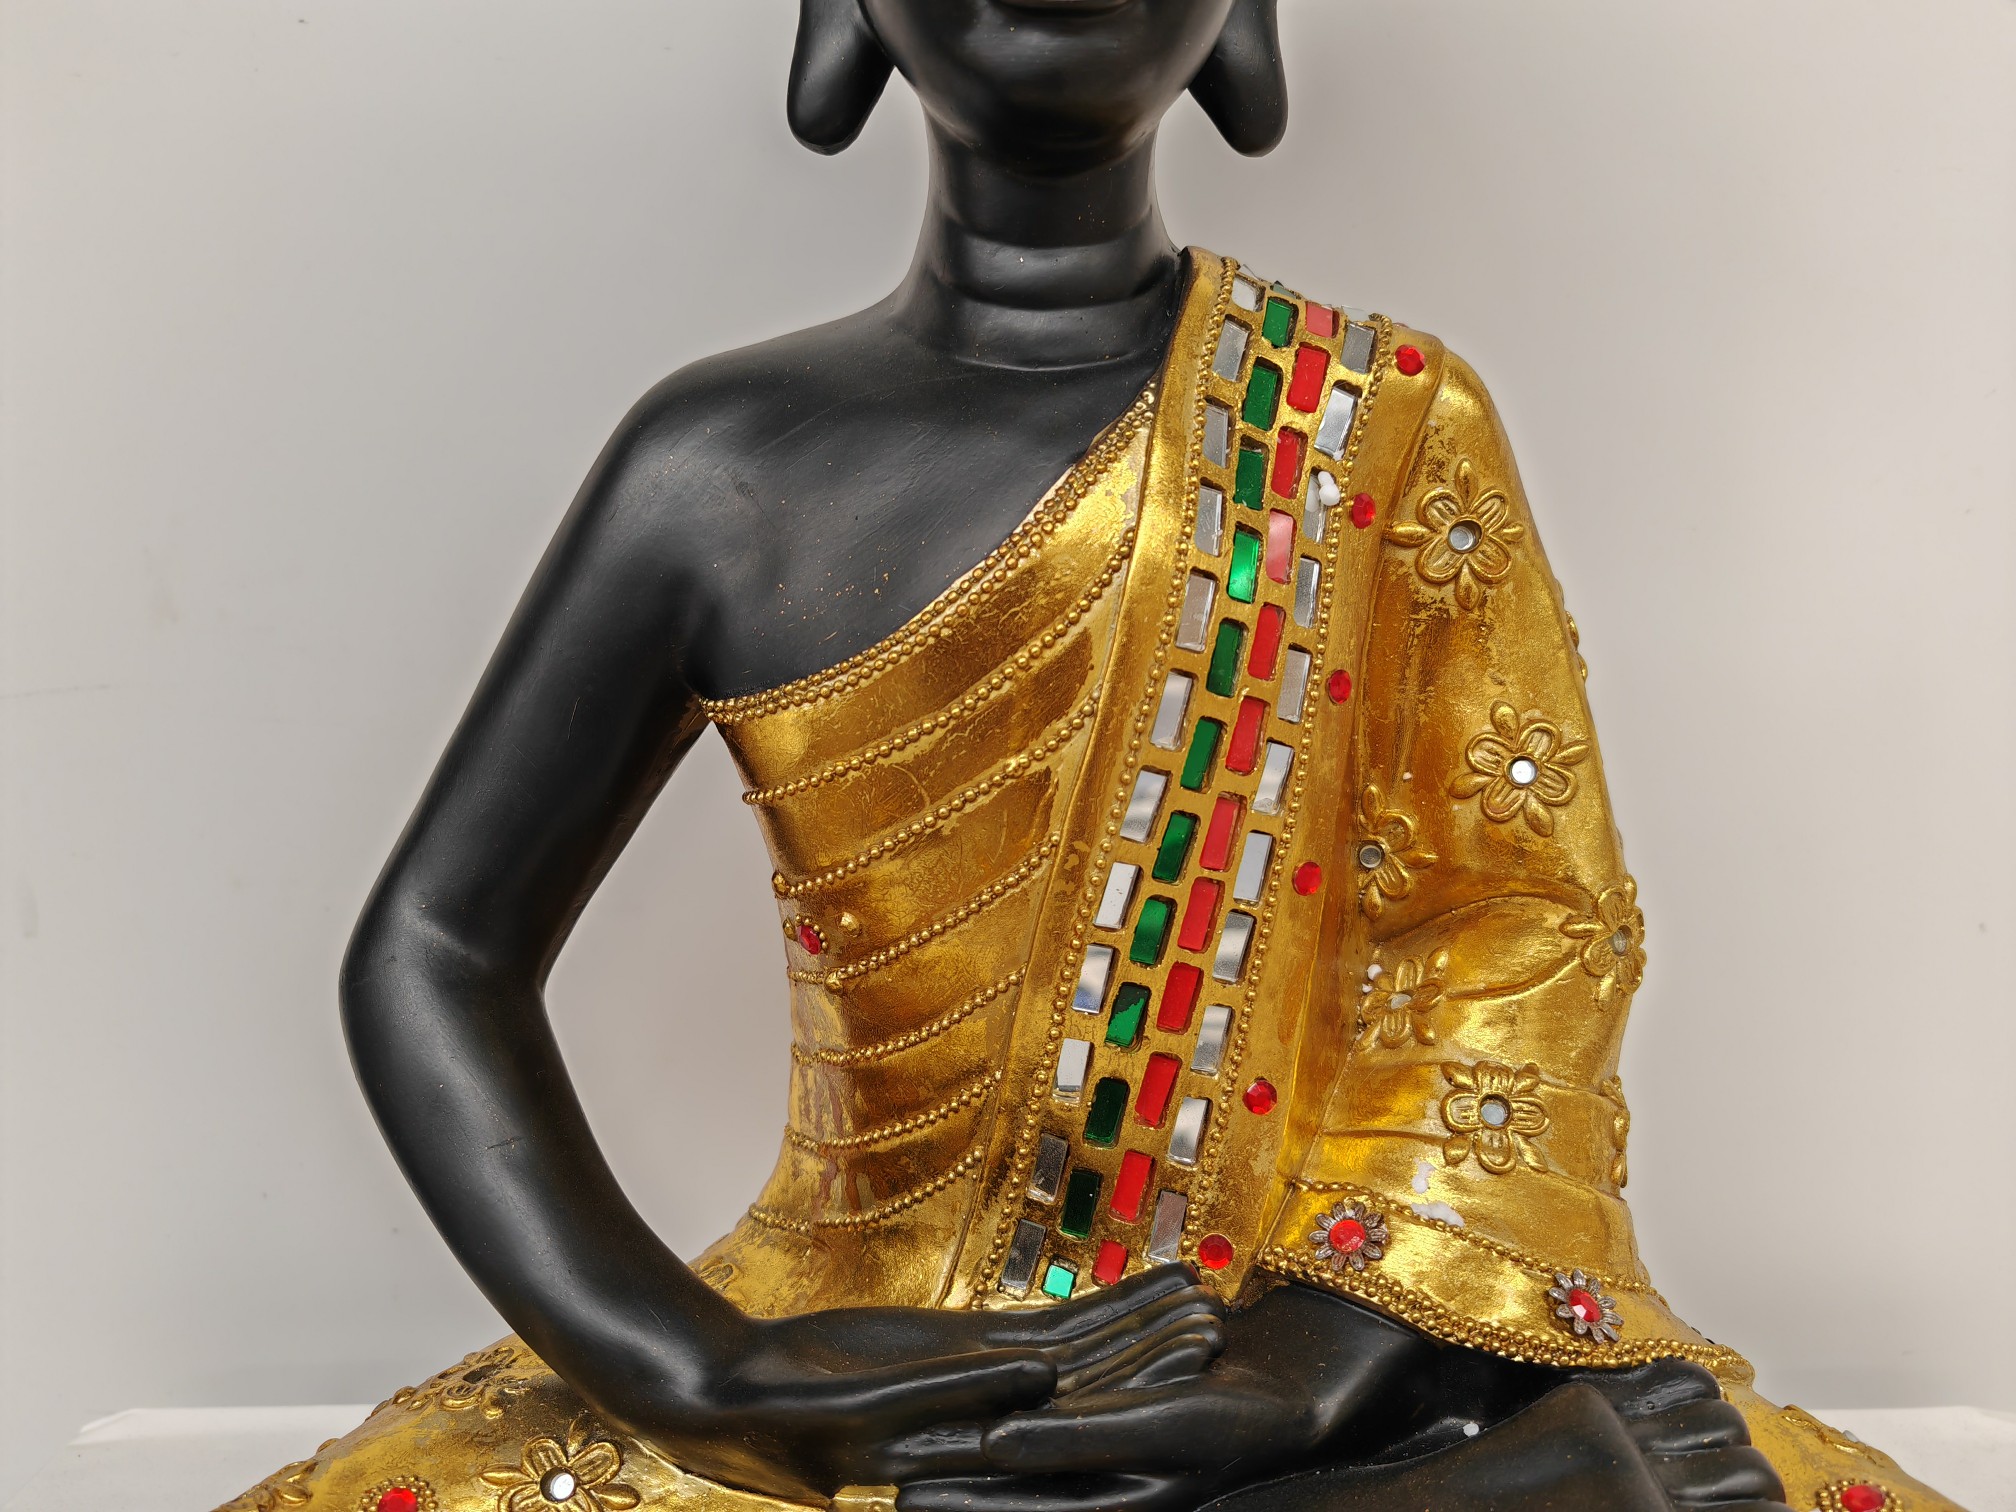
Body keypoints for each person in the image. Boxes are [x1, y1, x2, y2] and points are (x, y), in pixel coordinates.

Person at [222, 4, 1961, 1511]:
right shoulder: (718, 463)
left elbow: (1514, 925)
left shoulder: (1378, 425)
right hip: (847, 1347)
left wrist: (1310, 1360)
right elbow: (436, 949)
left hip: (1297, 1338)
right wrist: (690, 1365)